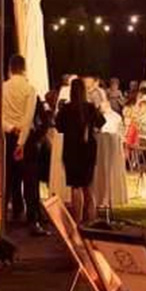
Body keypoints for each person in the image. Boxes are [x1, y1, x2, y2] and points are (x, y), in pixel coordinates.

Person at [3, 54, 43, 233]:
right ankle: (32, 218)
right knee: (30, 180)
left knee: (9, 178)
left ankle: (9, 213)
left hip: (7, 137)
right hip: (26, 139)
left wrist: (10, 128)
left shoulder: (2, 89)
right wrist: (21, 143)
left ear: (10, 68)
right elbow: (28, 119)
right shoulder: (29, 89)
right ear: (24, 68)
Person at [58, 76, 101, 224]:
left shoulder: (67, 108)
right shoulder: (90, 107)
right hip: (88, 149)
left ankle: (77, 220)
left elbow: (59, 127)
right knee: (88, 186)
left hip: (71, 149)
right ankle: (91, 218)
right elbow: (101, 122)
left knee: (75, 186)